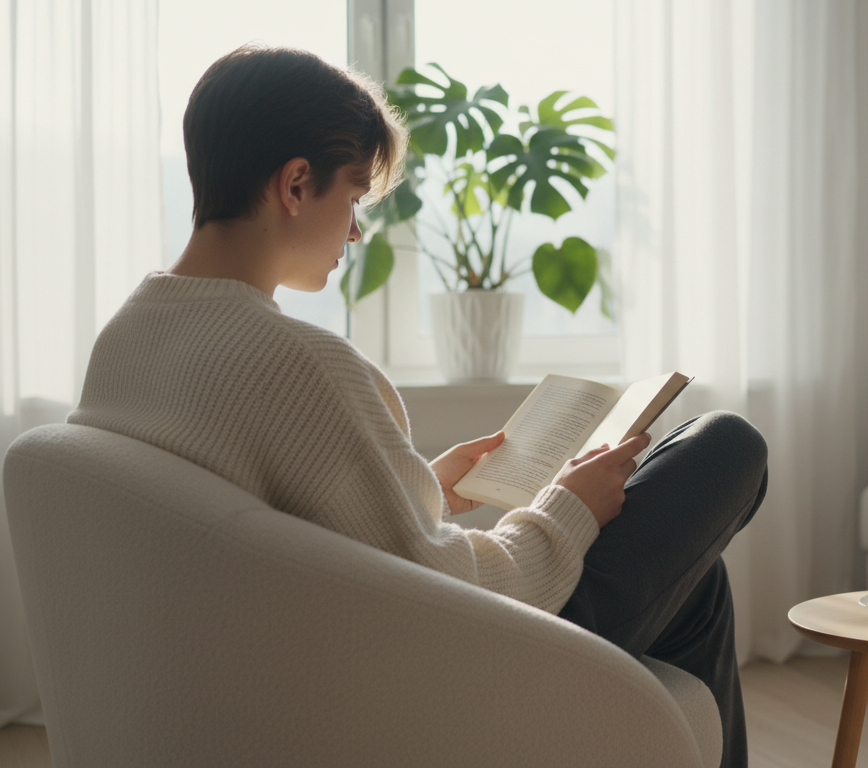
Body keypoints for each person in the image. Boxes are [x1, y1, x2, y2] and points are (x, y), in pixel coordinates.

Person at [67, 44, 766, 767]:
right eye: (355, 198)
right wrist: (571, 506)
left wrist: (420, 489)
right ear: (297, 184)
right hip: (435, 681)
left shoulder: (129, 335)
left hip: (269, 666)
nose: (356, 231)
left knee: (698, 586)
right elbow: (449, 593)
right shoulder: (301, 365)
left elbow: (275, 531)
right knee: (725, 446)